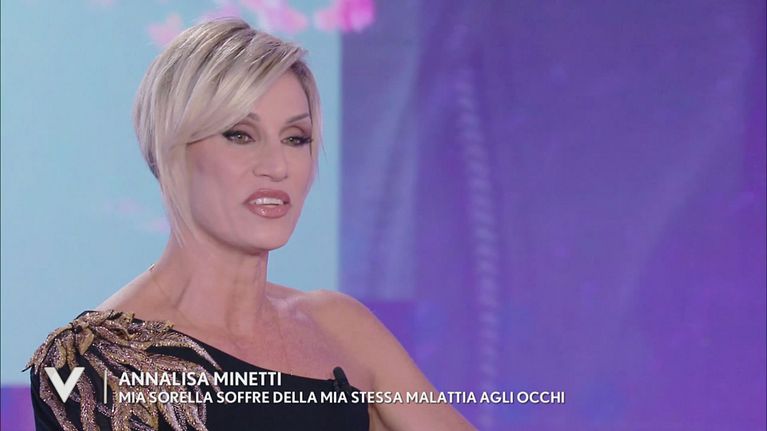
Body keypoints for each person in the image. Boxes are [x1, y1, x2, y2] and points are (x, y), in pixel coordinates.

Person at [26, 17, 475, 431]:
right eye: (240, 135)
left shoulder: (341, 325)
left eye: (296, 139)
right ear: (172, 147)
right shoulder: (91, 361)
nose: (277, 167)